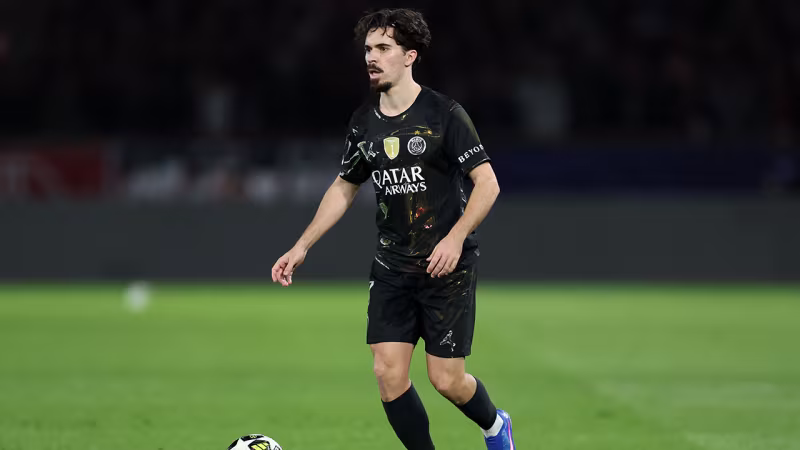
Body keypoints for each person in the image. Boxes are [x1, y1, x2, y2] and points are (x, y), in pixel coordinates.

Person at [271, 8, 514, 450]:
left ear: (409, 56)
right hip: (392, 267)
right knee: (387, 373)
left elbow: (488, 183)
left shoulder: (445, 114)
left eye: (383, 48)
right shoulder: (363, 122)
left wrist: (455, 237)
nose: (372, 57)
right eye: (368, 49)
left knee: (446, 380)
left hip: (445, 268)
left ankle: (496, 426)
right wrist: (301, 245)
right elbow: (344, 186)